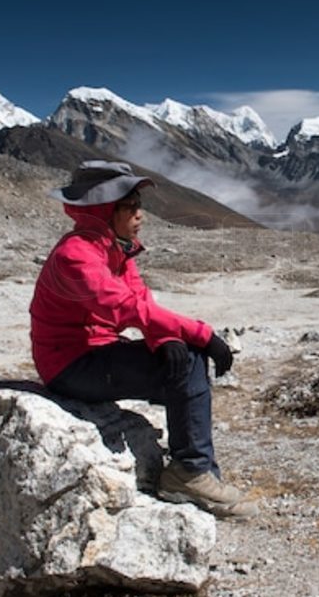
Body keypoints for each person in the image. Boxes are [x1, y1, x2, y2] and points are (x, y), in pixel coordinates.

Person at [29, 160, 258, 519]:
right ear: (105, 210)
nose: (141, 216)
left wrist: (165, 337)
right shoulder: (76, 256)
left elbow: (139, 302)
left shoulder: (114, 249)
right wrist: (202, 334)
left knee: (181, 357)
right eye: (131, 206)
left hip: (94, 352)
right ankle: (190, 472)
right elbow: (121, 307)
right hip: (70, 365)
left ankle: (197, 470)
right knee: (190, 363)